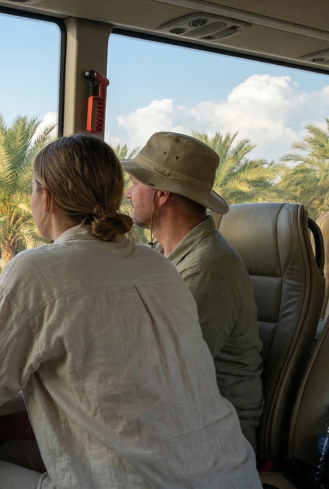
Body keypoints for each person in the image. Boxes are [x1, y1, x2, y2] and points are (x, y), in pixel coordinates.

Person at [0, 134, 259, 489]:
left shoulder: (34, 270)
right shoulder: (158, 264)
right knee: (12, 451)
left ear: (45, 197)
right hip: (229, 470)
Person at [123, 131, 264, 450]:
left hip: (211, 439)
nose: (129, 195)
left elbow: (162, 375)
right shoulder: (167, 253)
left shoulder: (206, 268)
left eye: (135, 184)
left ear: (161, 195)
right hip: (179, 423)